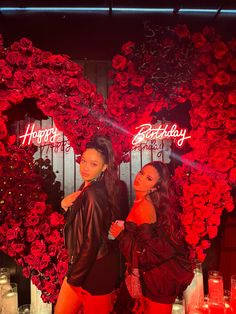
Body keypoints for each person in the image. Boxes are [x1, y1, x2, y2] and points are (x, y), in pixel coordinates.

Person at [109, 161, 194, 314]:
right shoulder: (141, 202)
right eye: (142, 173)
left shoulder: (144, 207)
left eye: (148, 178)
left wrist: (121, 236)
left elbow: (152, 253)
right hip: (152, 275)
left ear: (154, 188)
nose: (140, 178)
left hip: (159, 278)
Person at [55, 136, 124, 314]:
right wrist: (64, 206)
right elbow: (80, 226)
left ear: (104, 167)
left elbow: (91, 241)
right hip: (84, 265)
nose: (85, 167)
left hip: (94, 271)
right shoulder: (87, 188)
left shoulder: (94, 193)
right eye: (84, 161)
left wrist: (73, 278)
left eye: (93, 164)